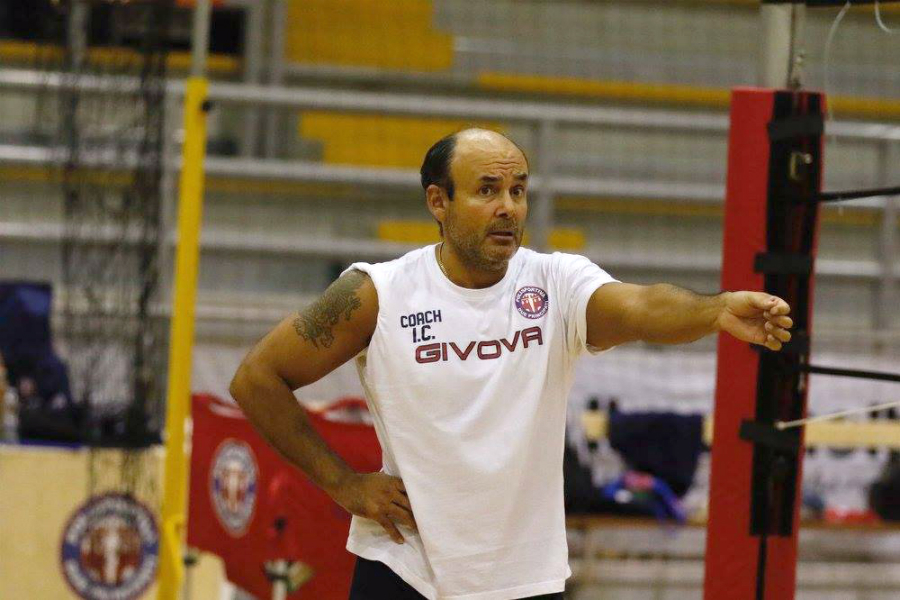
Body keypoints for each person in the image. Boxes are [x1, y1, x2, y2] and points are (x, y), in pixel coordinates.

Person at [229, 128, 794, 600]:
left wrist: (716, 309)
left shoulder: (557, 283)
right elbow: (257, 379)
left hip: (525, 579)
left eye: (518, 190)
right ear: (438, 202)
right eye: (487, 190)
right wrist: (343, 484)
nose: (508, 207)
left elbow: (642, 307)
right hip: (404, 570)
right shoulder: (377, 292)